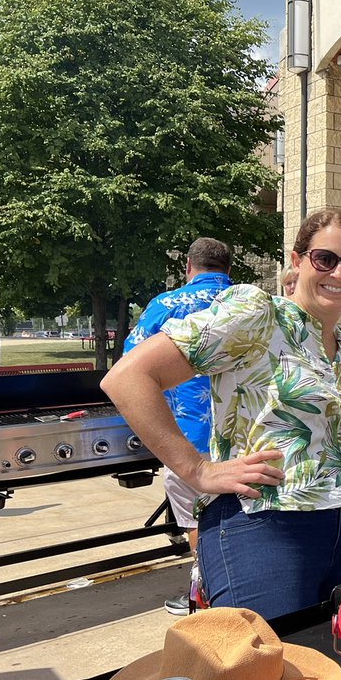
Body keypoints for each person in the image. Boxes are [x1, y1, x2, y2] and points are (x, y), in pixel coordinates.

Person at [101, 208, 341, 621]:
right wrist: (197, 470)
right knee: (269, 669)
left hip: (340, 527)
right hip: (262, 525)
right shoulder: (260, 314)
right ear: (296, 261)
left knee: (329, 670)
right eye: (325, 259)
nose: (339, 273)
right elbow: (128, 377)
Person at [123, 237, 232, 616]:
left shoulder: (166, 306)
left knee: (195, 519)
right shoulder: (251, 304)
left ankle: (206, 592)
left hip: (188, 439)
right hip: (243, 437)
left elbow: (130, 366)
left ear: (189, 266)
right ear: (228, 269)